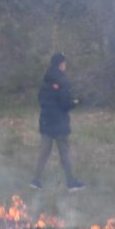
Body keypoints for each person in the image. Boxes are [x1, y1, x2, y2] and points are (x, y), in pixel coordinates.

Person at [31, 52, 85, 191]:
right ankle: (71, 182)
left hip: (46, 121)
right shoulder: (62, 80)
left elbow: (40, 99)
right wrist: (76, 102)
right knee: (64, 154)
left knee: (43, 153)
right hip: (59, 123)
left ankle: (36, 180)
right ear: (61, 64)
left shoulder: (46, 79)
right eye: (64, 63)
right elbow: (65, 104)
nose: (65, 65)